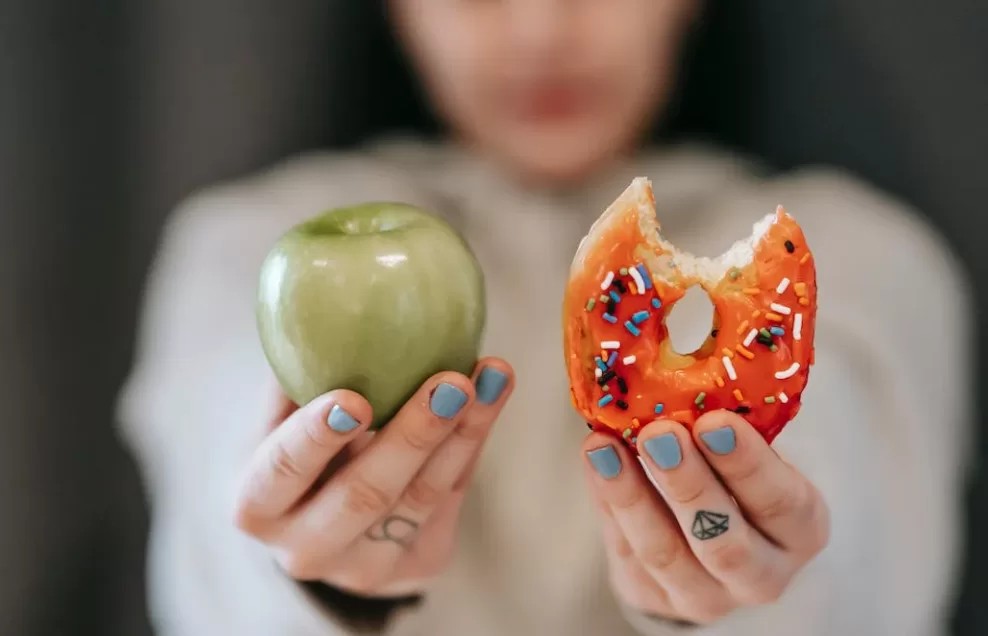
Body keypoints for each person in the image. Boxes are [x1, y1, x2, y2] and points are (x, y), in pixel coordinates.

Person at [116, 1, 974, 635]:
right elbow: (221, 477)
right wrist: (316, 574)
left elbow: (850, 486)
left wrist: (751, 570)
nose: (540, 27)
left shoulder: (867, 253)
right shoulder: (233, 248)